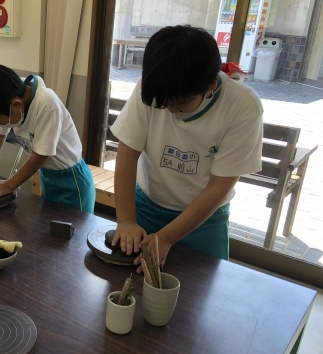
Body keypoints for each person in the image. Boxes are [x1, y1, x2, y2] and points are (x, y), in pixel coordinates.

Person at [111, 25, 263, 270]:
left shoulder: (243, 106)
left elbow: (219, 186)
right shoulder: (153, 86)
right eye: (163, 104)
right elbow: (128, 155)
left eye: (180, 103)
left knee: (199, 298)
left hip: (205, 219)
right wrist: (127, 220)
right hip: (148, 206)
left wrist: (168, 237)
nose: (170, 111)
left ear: (211, 84)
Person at [0, 64, 96, 214]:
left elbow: (42, 156)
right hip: (47, 175)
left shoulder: (47, 103)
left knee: (75, 232)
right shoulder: (9, 94)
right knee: (51, 228)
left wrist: (9, 185)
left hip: (72, 180)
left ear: (16, 104)